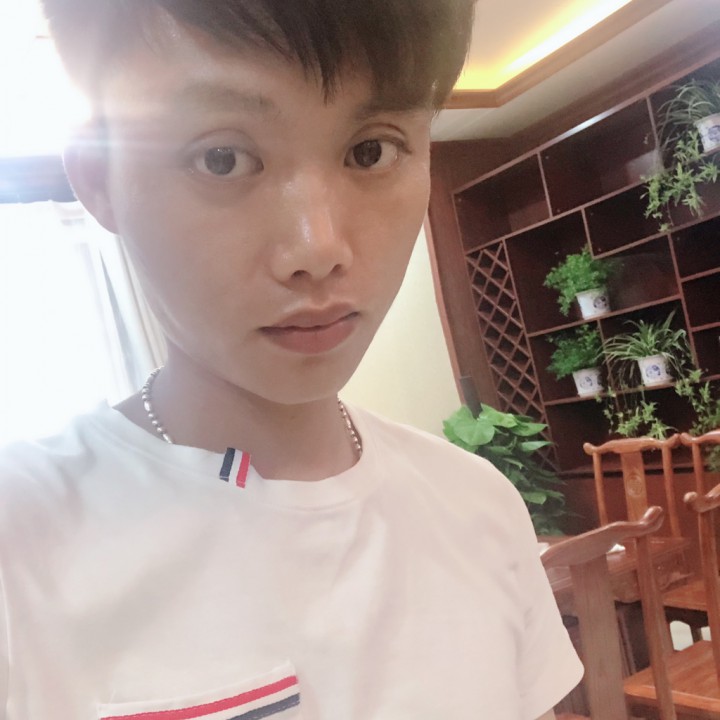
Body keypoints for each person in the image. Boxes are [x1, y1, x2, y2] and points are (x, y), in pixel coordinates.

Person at [0, 1, 582, 718]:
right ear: (99, 181)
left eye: (370, 150)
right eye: (222, 158)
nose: (318, 248)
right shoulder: (22, 537)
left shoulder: (477, 503)